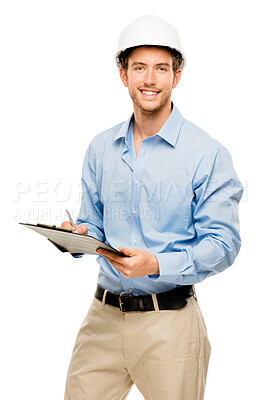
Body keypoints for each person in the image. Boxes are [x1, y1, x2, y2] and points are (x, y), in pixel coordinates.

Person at [62, 15, 243, 400]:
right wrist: (80, 236)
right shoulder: (100, 148)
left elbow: (223, 244)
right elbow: (92, 222)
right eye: (139, 68)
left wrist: (157, 264)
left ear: (176, 77)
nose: (149, 79)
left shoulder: (207, 154)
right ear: (123, 75)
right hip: (103, 319)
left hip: (171, 326)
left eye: (161, 68)